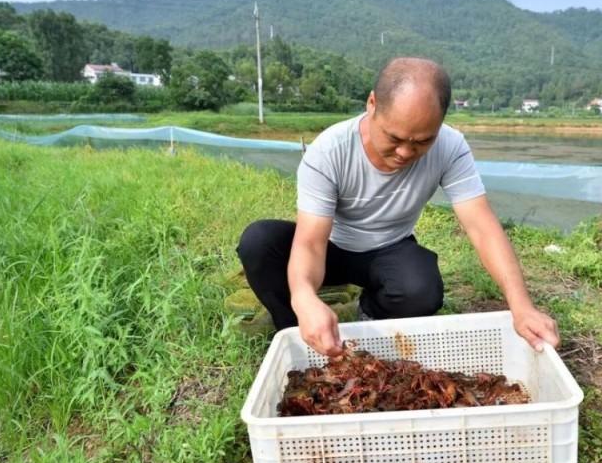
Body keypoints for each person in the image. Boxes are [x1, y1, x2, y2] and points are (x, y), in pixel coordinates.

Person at [237, 56, 559, 357]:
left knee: (421, 289)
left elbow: (482, 226)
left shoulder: (450, 147)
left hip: (389, 249)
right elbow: (310, 241)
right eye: (395, 137)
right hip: (332, 248)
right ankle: (295, 329)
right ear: (372, 104)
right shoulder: (329, 151)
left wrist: (521, 305)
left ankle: (366, 319)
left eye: (422, 141)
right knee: (259, 242)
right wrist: (305, 296)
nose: (406, 152)